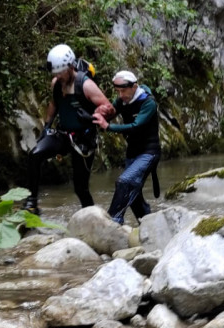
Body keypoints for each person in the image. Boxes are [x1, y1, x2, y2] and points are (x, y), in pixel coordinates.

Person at [25, 44, 114, 216]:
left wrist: (91, 116)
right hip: (63, 135)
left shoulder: (86, 85)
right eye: (55, 73)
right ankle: (31, 203)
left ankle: (92, 218)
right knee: (35, 155)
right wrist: (47, 126)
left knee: (80, 189)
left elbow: (108, 107)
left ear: (71, 67)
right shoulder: (57, 83)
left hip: (83, 141)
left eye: (61, 72)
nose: (58, 76)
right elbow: (54, 104)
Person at [93, 70, 161, 225]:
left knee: (125, 182)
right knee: (134, 195)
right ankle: (147, 223)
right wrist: (100, 115)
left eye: (123, 90)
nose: (120, 94)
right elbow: (110, 113)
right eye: (118, 91)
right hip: (132, 152)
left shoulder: (148, 102)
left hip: (149, 153)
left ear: (134, 86)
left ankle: (113, 222)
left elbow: (136, 126)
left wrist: (108, 126)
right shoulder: (122, 101)